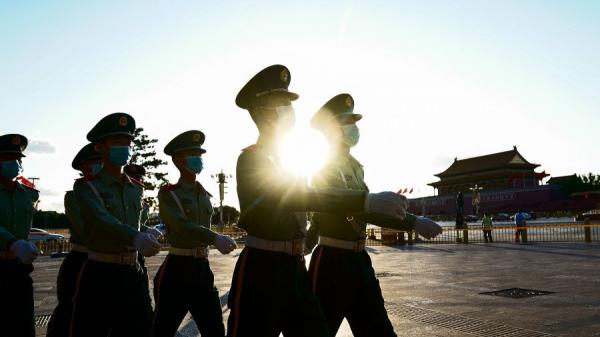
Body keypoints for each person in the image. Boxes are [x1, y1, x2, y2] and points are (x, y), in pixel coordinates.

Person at [227, 65, 409, 337]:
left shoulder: (290, 160)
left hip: (295, 269)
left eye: (289, 102)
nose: (288, 108)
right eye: (280, 102)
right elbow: (296, 197)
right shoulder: (252, 159)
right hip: (262, 270)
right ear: (260, 110)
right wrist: (364, 201)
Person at [305, 94, 443, 337]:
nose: (354, 128)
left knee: (379, 331)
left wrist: (413, 222)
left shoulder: (355, 167)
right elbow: (349, 206)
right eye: (347, 123)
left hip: (359, 260)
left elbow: (372, 211)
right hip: (332, 263)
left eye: (353, 122)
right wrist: (411, 220)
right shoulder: (325, 168)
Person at [70, 112, 161, 337]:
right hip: (101, 274)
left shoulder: (135, 187)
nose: (124, 147)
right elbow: (101, 219)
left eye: (127, 142)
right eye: (117, 142)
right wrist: (134, 237)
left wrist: (146, 232)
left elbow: (135, 222)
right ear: (100, 147)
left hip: (133, 272)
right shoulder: (86, 187)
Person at [152, 130, 237, 337]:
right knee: (162, 330)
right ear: (178, 160)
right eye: (192, 154)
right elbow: (181, 225)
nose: (198, 159)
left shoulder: (204, 194)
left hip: (202, 269)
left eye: (199, 155)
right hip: (177, 270)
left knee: (215, 330)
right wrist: (214, 238)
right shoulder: (168, 194)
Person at [46, 143, 102, 337]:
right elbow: (87, 230)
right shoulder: (75, 196)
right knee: (69, 314)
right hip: (82, 260)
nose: (101, 166)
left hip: (105, 262)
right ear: (84, 168)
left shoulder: (111, 193)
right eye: (96, 162)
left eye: (102, 161)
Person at [0, 134, 40, 337]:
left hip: (19, 269)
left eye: (18, 159)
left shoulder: (28, 194)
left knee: (23, 326)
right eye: (7, 158)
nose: (14, 163)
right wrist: (12, 242)